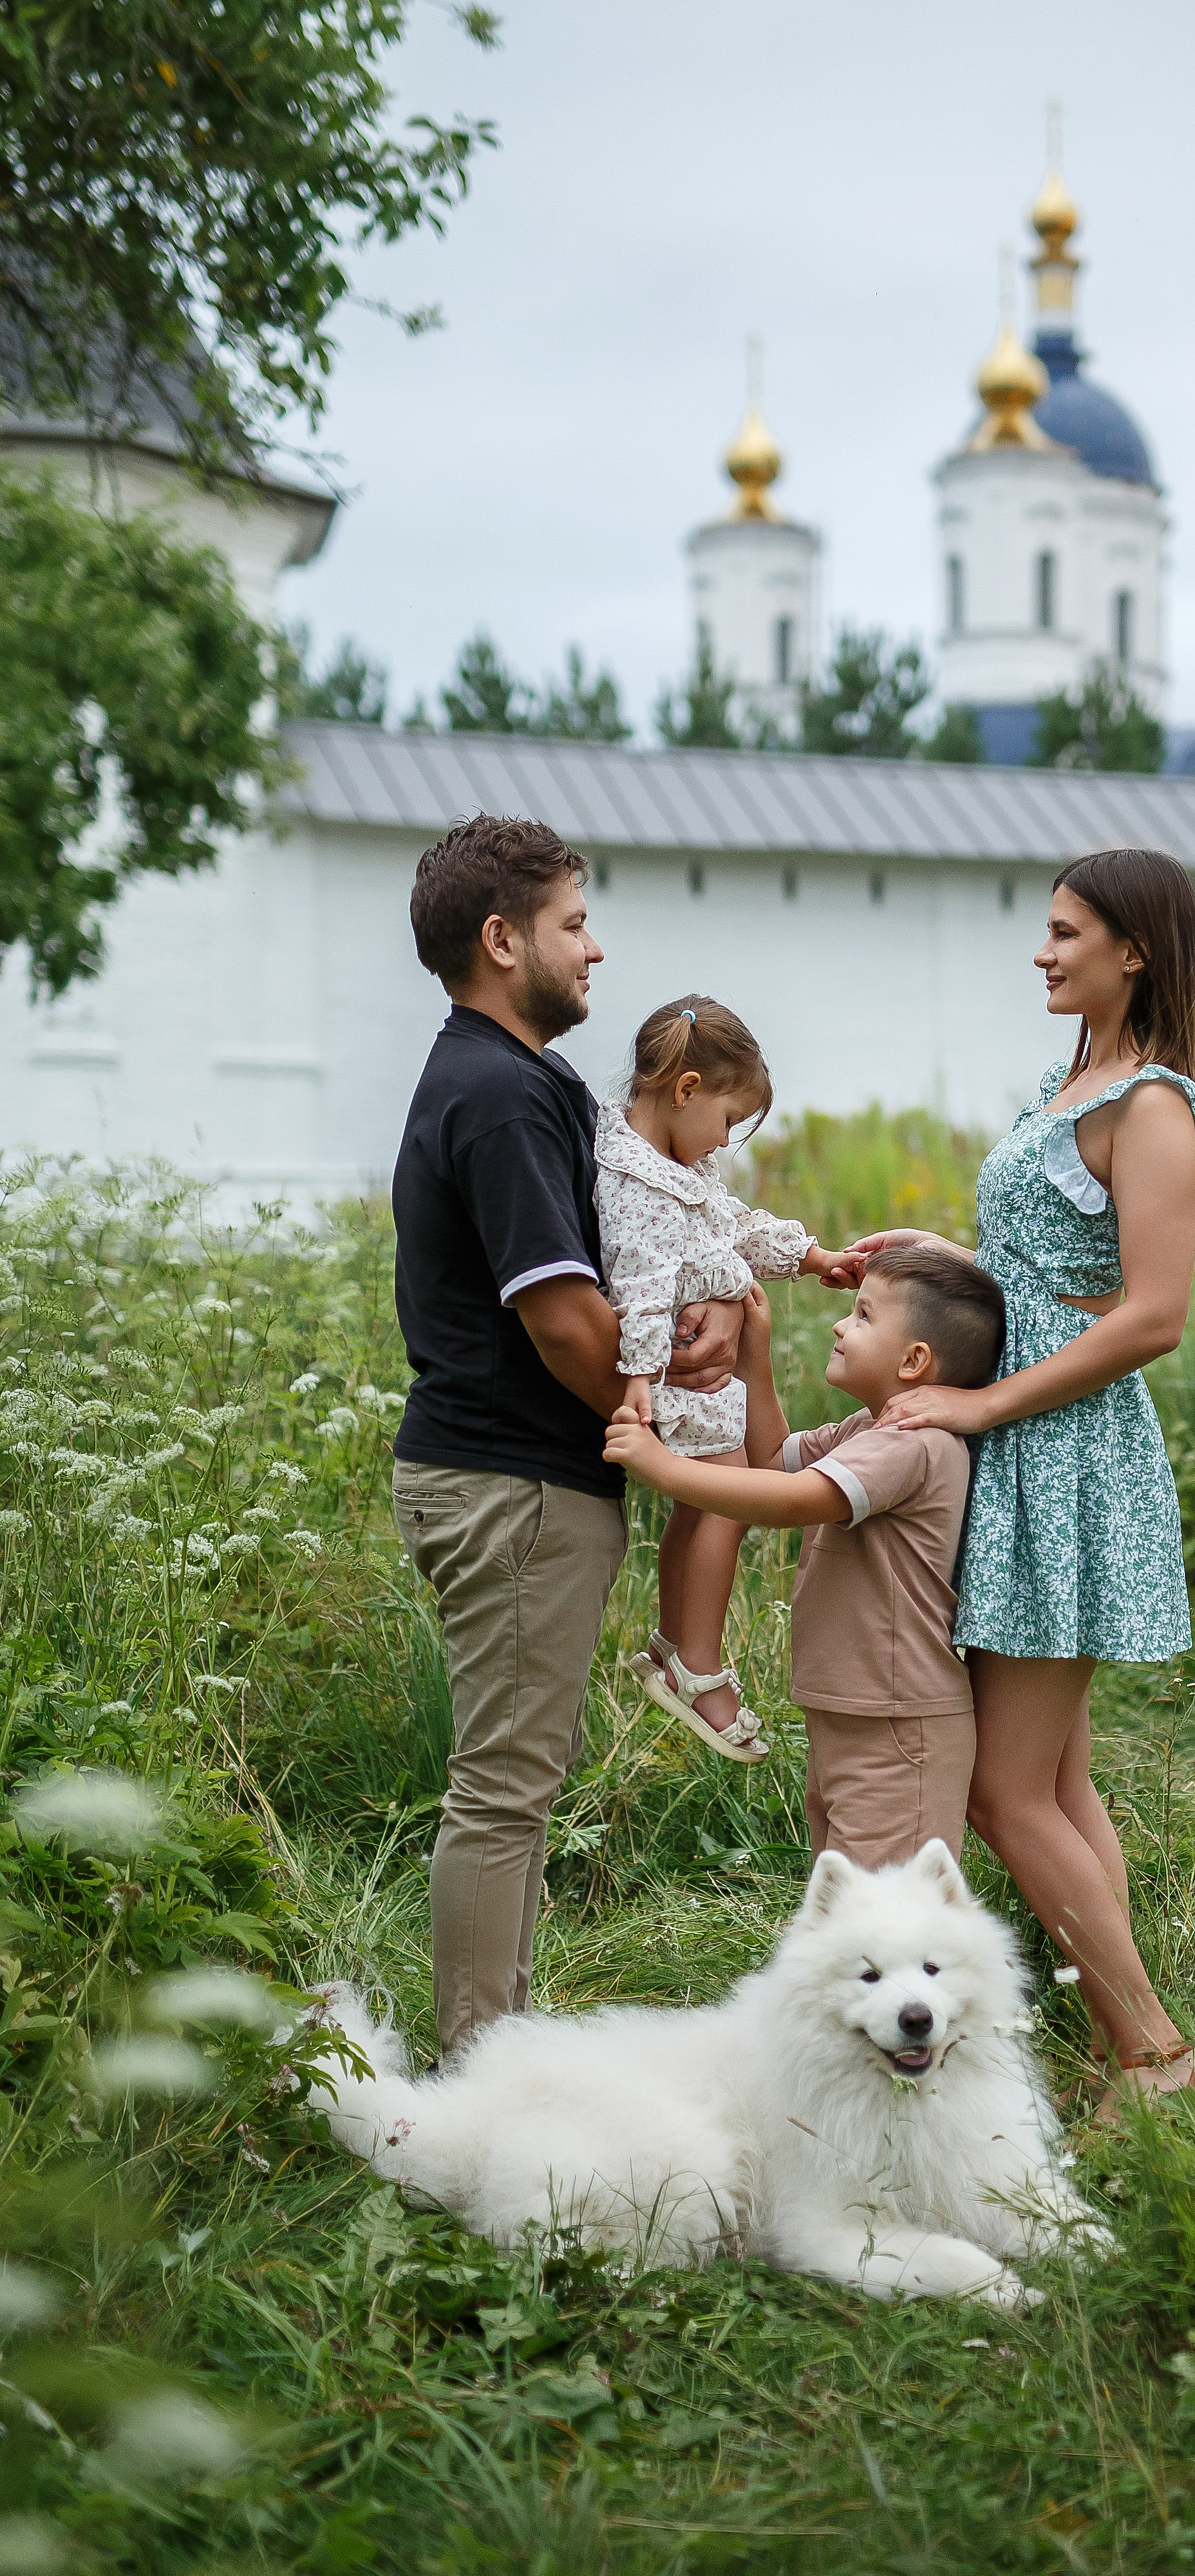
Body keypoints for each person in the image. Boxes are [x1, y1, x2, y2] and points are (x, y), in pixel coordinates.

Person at [825, 847, 1195, 2113]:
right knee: (1053, 1782)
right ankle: (1120, 2046)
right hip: (1027, 1446)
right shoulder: (1074, 1077)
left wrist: (985, 1397)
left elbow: (1152, 1314)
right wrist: (938, 1253)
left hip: (1065, 1450)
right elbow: (1050, 1260)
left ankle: (1159, 2058)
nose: (1043, 953)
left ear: (1134, 949)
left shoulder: (1149, 1103)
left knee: (1002, 1793)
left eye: (1064, 933)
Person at [388, 814, 745, 2051]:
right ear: (503, 940)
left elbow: (608, 1290)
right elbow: (557, 1319)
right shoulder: (498, 1093)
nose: (596, 951)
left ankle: (498, 2049)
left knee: (515, 1791)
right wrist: (669, 1422)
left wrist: (674, 1342)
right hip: (511, 1487)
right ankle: (483, 2082)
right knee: (502, 1796)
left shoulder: (517, 1081)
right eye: (574, 925)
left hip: (510, 1480)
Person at [604, 1242, 1007, 1869]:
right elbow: (772, 1459)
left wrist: (663, 1468)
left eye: (865, 1316)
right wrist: (753, 1360)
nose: (841, 1324)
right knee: (849, 1906)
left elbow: (792, 1498)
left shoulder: (913, 1444)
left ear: (914, 1360)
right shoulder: (868, 1429)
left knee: (889, 1925)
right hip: (859, 1711)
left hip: (898, 1724)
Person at [595, 996, 841, 1763]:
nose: (726, 1142)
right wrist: (636, 1382)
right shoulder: (638, 1185)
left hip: (688, 1375)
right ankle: (696, 1663)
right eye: (730, 1121)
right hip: (677, 1375)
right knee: (725, 1501)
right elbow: (637, 1284)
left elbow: (735, 1223)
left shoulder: (675, 1166)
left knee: (702, 1507)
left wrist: (811, 1257)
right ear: (688, 1088)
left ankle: (677, 1642)